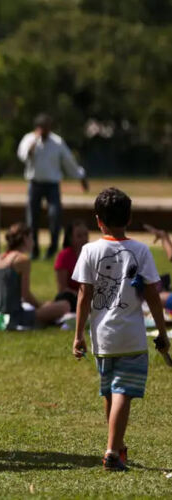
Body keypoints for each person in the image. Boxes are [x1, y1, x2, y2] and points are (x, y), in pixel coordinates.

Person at [72, 188, 169, 471]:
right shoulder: (140, 251)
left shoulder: (89, 250)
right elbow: (152, 295)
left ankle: (119, 445)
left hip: (102, 338)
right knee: (122, 393)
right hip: (131, 338)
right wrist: (162, 333)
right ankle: (112, 451)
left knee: (110, 392)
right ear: (129, 216)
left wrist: (78, 335)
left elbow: (83, 297)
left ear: (98, 220)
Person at [17, 113, 89, 259]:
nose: (45, 131)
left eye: (47, 128)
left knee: (55, 215)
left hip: (52, 185)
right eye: (42, 128)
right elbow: (23, 156)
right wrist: (34, 143)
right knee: (32, 218)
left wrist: (80, 176)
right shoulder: (29, 139)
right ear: (37, 128)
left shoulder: (57, 142)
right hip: (35, 184)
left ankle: (52, 249)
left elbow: (69, 161)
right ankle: (34, 249)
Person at [0, 223, 71, 329]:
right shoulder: (22, 259)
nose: (33, 241)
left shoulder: (0, 257)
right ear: (24, 238)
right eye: (31, 237)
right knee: (64, 305)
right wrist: (41, 306)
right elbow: (26, 295)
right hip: (14, 316)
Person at [54, 219, 89, 312]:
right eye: (79, 236)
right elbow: (62, 288)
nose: (84, 239)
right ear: (70, 238)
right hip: (71, 299)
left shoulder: (92, 254)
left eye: (86, 235)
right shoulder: (64, 256)